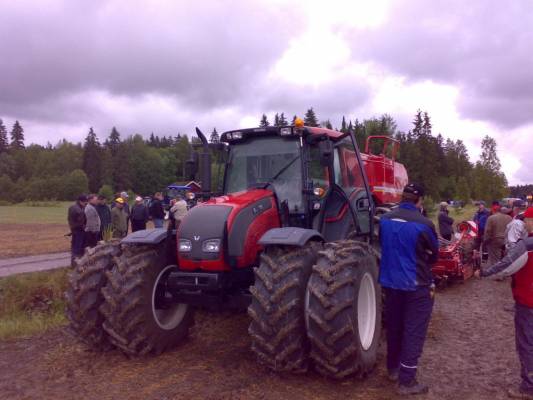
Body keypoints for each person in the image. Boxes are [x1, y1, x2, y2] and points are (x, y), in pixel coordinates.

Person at [379, 183, 439, 395]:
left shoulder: (384, 219)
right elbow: (435, 253)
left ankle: (392, 368)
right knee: (414, 331)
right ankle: (407, 381)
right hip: (416, 285)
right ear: (419, 200)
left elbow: (382, 245)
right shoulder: (424, 224)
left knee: (394, 326)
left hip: (390, 283)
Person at [478, 207, 533, 399]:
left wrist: (485, 273)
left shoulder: (527, 245)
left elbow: (507, 265)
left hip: (528, 301)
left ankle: (529, 386)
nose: (524, 224)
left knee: (527, 343)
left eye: (527, 220)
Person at [68, 194, 88, 266]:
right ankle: (76, 265)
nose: (86, 203)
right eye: (85, 202)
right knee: (78, 248)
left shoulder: (72, 207)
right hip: (79, 231)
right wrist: (84, 226)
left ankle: (73, 263)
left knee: (74, 247)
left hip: (73, 229)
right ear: (80, 201)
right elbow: (81, 222)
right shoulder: (79, 210)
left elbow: (70, 219)